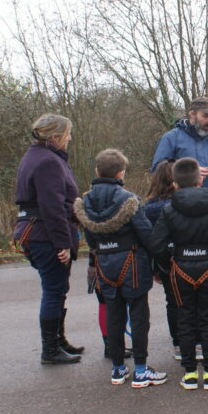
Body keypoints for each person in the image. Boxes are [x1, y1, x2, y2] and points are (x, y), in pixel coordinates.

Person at [74, 149, 167, 387]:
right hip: (132, 262)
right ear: (121, 172)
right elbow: (146, 234)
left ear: (97, 171)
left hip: (105, 262)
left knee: (114, 314)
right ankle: (141, 370)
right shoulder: (129, 199)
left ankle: (117, 369)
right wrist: (158, 260)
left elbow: (90, 238)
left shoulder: (85, 203)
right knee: (138, 316)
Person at [148, 157, 208, 390]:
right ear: (200, 179)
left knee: (185, 319)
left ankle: (189, 374)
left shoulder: (168, 209)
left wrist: (166, 265)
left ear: (175, 182)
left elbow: (156, 244)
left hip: (181, 269)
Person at [13, 113, 82, 365]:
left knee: (58, 289)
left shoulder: (35, 156)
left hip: (35, 231)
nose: (70, 138)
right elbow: (51, 206)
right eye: (67, 134)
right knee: (54, 291)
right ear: (55, 137)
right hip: (44, 233)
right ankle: (50, 349)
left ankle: (58, 340)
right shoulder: (48, 162)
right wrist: (63, 243)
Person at [143, 160, 189, 361]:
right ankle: (194, 341)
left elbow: (151, 240)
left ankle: (179, 343)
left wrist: (155, 267)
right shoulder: (185, 203)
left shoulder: (149, 209)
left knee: (173, 301)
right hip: (189, 257)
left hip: (165, 262)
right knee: (193, 301)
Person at [151, 96, 208, 191]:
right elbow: (157, 171)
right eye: (205, 116)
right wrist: (188, 171)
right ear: (192, 114)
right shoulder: (171, 137)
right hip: (179, 202)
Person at [86, 250, 132, 359]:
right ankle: (111, 347)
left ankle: (111, 346)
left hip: (98, 261)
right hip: (106, 261)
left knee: (105, 304)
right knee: (107, 305)